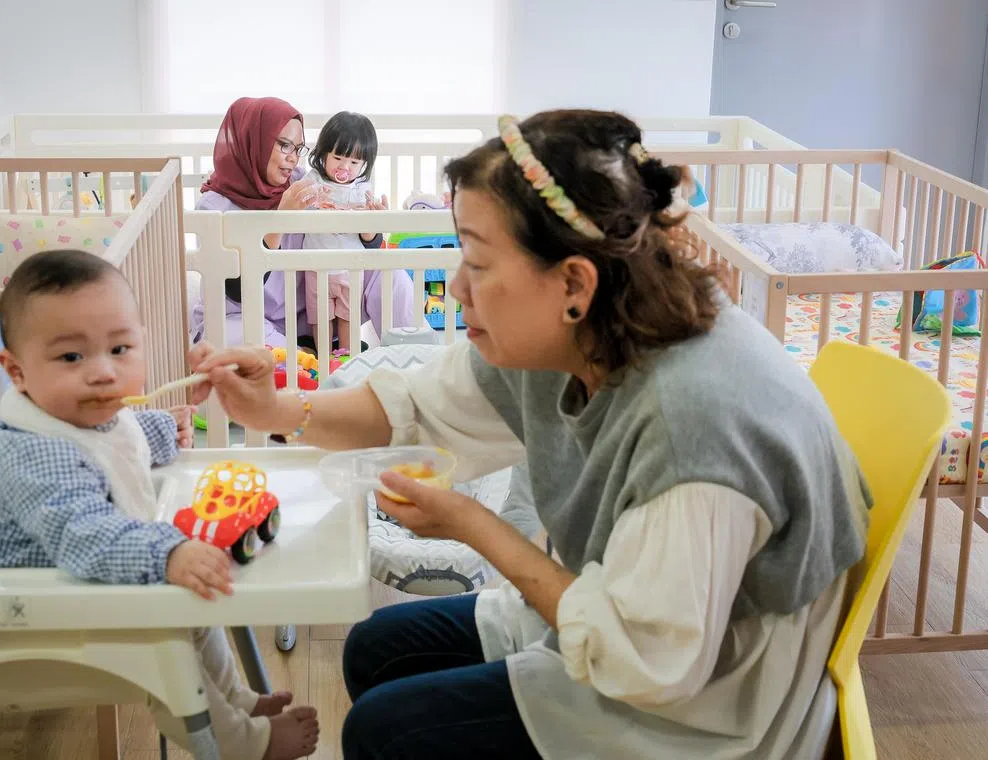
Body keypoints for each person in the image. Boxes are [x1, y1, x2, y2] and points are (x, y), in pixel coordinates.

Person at [184, 109, 873, 759]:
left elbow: (648, 665)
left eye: (478, 263)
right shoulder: (577, 330)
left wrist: (475, 528)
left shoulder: (694, 424)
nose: (456, 287)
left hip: (707, 702)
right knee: (374, 650)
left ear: (573, 279)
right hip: (621, 604)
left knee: (383, 733)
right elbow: (412, 407)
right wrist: (275, 411)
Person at [0, 250, 319, 760]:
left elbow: (117, 440)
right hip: (36, 616)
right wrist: (166, 553)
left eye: (120, 348)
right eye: (72, 357)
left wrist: (168, 427)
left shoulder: (78, 416)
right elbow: (84, 533)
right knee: (166, 638)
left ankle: (236, 701)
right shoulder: (36, 452)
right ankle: (245, 743)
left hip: (79, 591)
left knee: (194, 609)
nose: (104, 373)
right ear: (16, 371)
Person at [191, 97, 415, 349]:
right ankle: (308, 358)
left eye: (299, 149)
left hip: (309, 314)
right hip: (248, 316)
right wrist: (281, 219)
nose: (293, 159)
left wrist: (370, 231)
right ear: (254, 142)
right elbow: (237, 291)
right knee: (236, 338)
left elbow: (359, 245)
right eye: (285, 146)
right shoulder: (214, 208)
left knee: (393, 273)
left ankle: (415, 351)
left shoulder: (301, 182)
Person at [301, 111, 390, 352]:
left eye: (354, 163)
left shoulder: (363, 189)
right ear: (323, 154)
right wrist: (310, 198)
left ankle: (348, 358)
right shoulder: (313, 181)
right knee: (320, 318)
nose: (344, 167)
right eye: (338, 158)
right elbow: (297, 208)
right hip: (316, 264)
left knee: (348, 317)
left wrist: (372, 221)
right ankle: (323, 358)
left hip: (351, 266)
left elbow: (369, 236)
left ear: (364, 165)